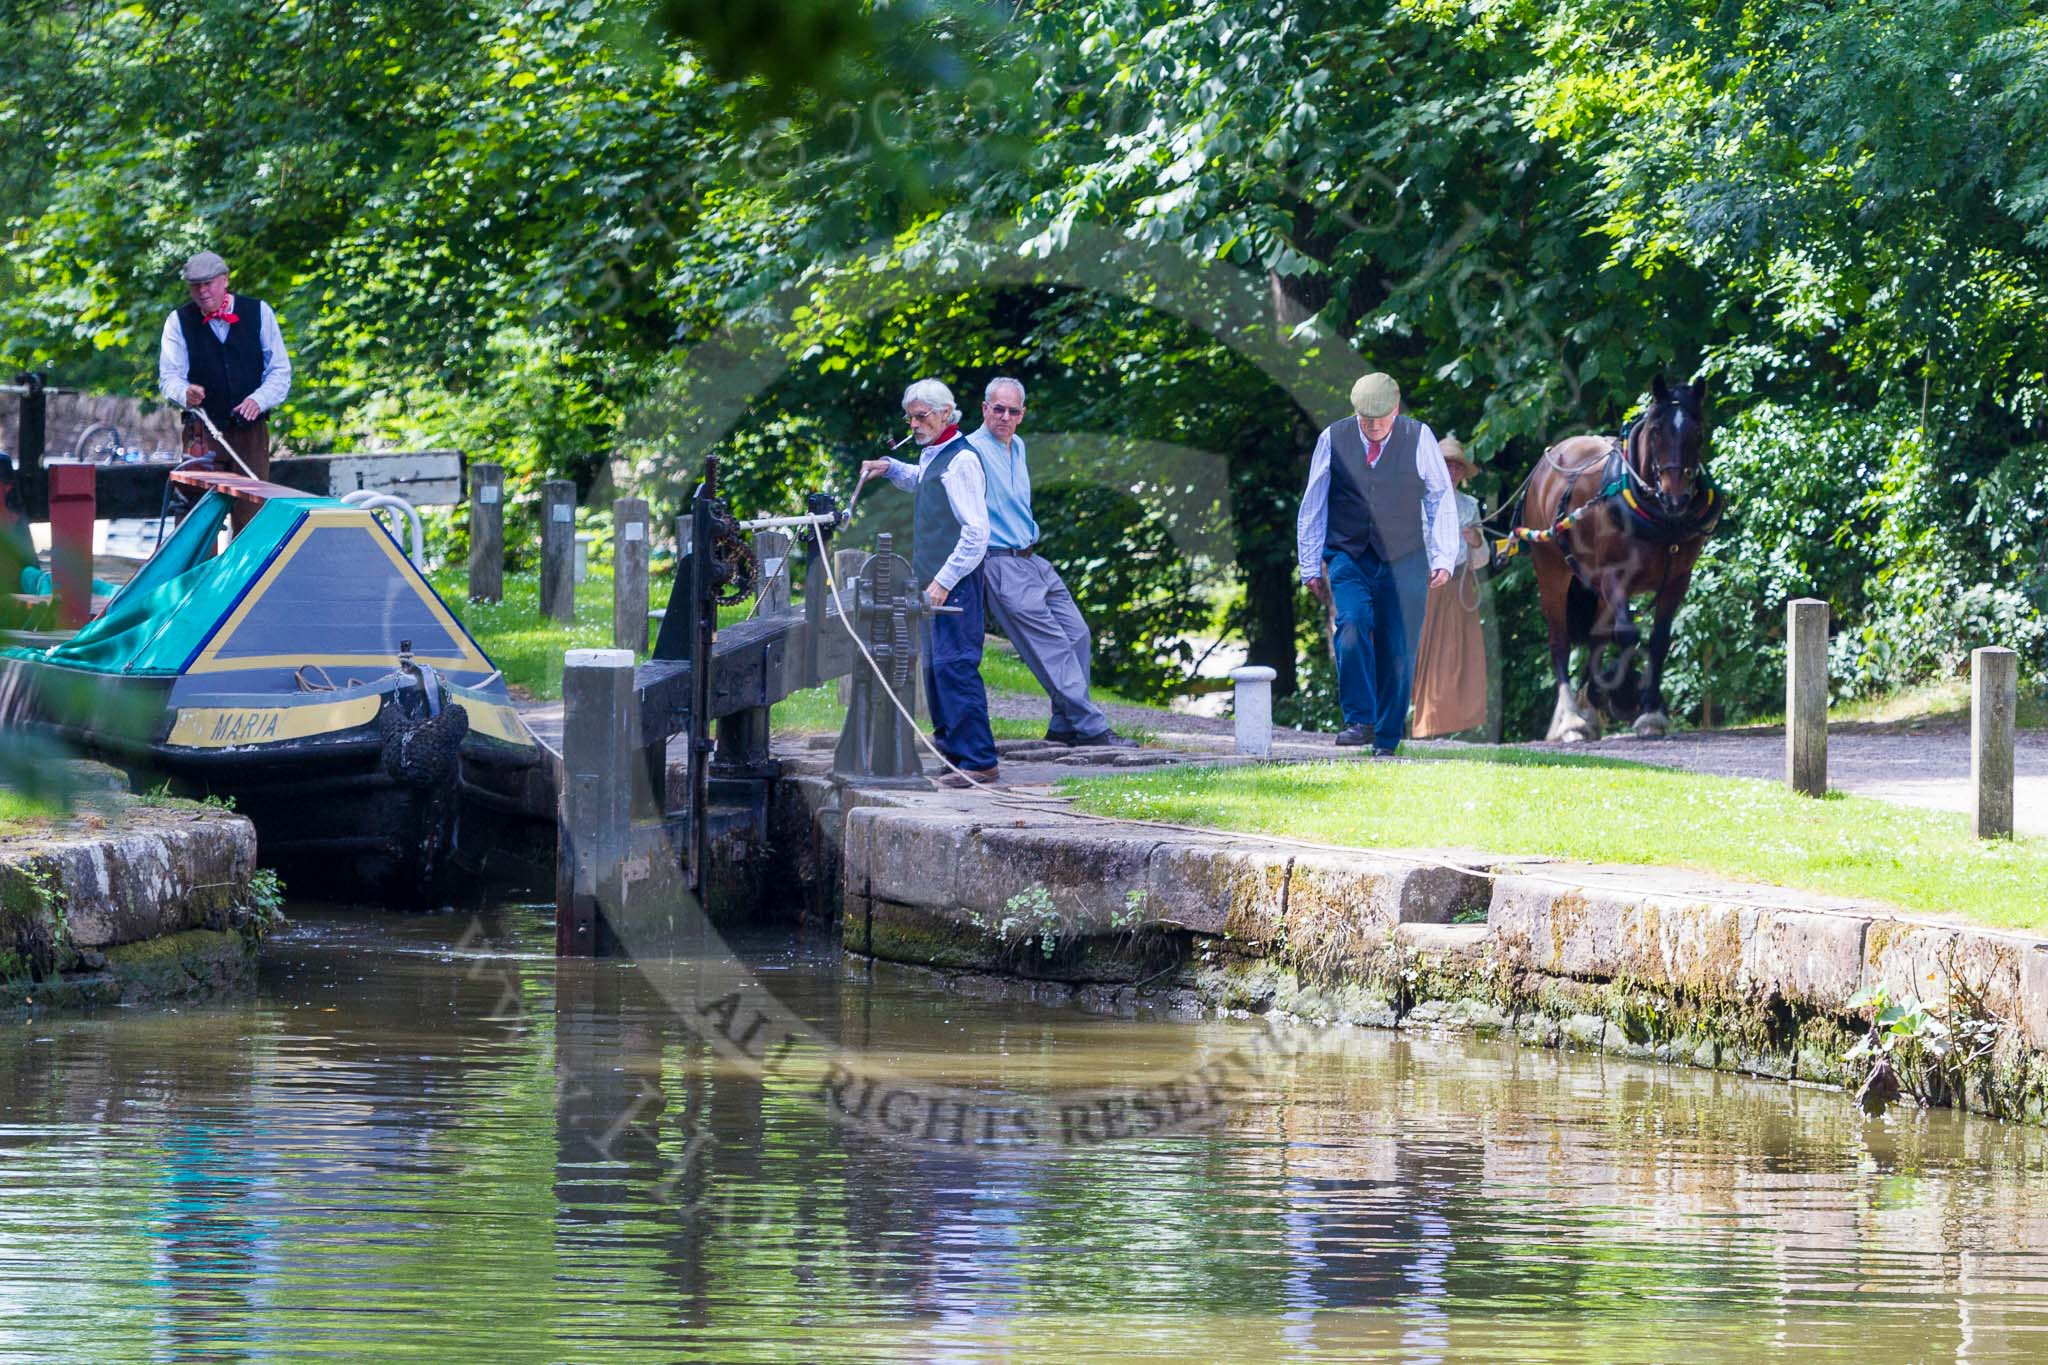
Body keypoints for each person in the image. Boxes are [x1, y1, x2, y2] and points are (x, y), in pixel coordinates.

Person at [966, 378, 1138, 750]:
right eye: (998, 409)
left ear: (1022, 414)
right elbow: (930, 474)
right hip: (999, 563)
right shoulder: (969, 451)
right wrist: (894, 468)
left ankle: (1063, 725)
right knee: (1052, 648)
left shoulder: (1019, 446)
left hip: (1033, 558)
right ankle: (1092, 729)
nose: (1005, 417)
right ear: (984, 409)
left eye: (1013, 411)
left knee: (1077, 634)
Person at [1296, 371, 1459, 755]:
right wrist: (1308, 564)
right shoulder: (1332, 438)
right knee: (1351, 623)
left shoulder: (1418, 437)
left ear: (1395, 410)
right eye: (1364, 421)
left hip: (1405, 556)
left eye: (1380, 421)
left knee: (1398, 650)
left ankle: (1386, 741)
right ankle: (1360, 719)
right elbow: (1314, 503)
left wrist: (1443, 557)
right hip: (1347, 553)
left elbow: (1439, 499)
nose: (1371, 428)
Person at [860, 379, 1000, 787]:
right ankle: (954, 756)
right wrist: (890, 468)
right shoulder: (935, 453)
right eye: (911, 417)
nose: (914, 424)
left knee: (955, 668)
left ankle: (979, 760)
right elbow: (922, 478)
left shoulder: (962, 461)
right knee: (936, 671)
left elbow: (977, 533)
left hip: (953, 583)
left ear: (945, 413)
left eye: (921, 416)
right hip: (934, 582)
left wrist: (942, 582)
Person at [157, 250, 292, 532]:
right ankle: (198, 576)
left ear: (225, 281)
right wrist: (185, 392)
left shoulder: (259, 312)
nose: (203, 292)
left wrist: (258, 400)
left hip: (251, 436)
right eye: (196, 286)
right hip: (202, 436)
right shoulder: (178, 322)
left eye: (209, 284)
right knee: (195, 523)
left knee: (252, 520)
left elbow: (280, 371)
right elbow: (169, 378)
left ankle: (248, 577)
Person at [1409, 436, 1489, 738]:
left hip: (1460, 585)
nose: (1452, 471)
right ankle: (1426, 723)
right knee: (1428, 652)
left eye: (1457, 467)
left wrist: (1476, 541)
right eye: (1447, 465)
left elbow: (1480, 559)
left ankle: (1451, 726)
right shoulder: (1419, 503)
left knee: (1459, 654)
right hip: (1428, 584)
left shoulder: (1469, 506)